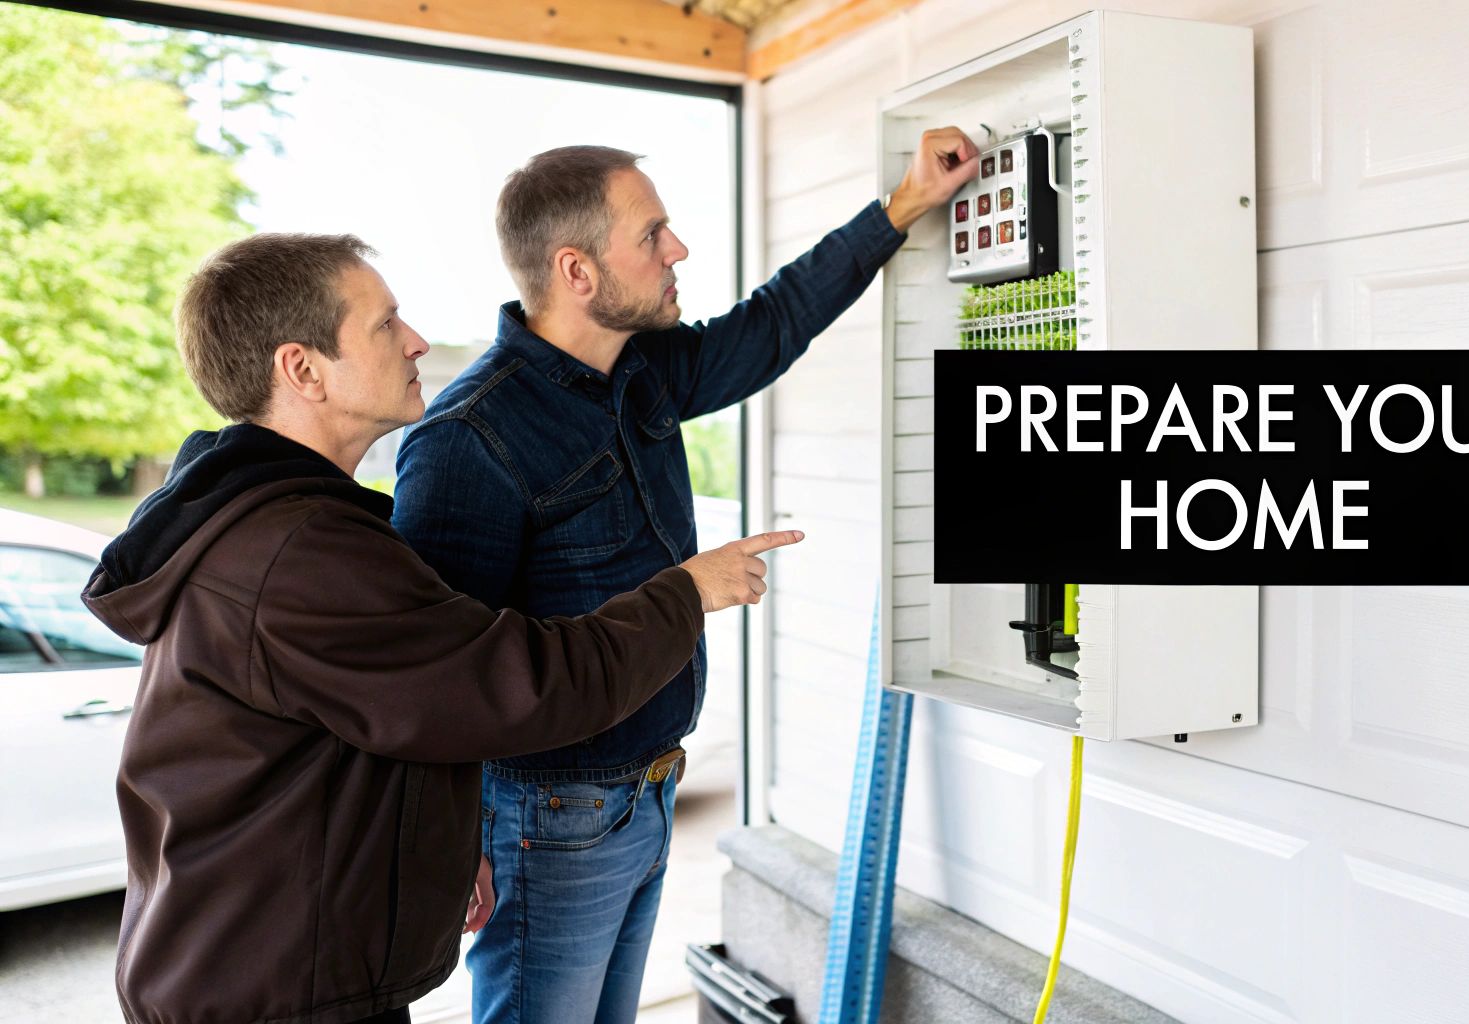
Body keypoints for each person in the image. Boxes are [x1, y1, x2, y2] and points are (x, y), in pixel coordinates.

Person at [80, 232, 801, 1024]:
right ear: (302, 369)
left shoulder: (283, 524)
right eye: (385, 324)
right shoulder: (299, 554)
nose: (417, 340)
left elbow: (398, 714)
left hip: (280, 971)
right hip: (275, 995)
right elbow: (516, 686)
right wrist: (686, 592)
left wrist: (448, 843)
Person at [391, 127, 978, 1022]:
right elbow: (438, 677)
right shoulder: (468, 438)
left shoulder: (642, 371)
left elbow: (773, 323)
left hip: (646, 796)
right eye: (652, 235)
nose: (679, 250)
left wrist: (900, 207)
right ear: (577, 270)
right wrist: (453, 840)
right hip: (549, 823)